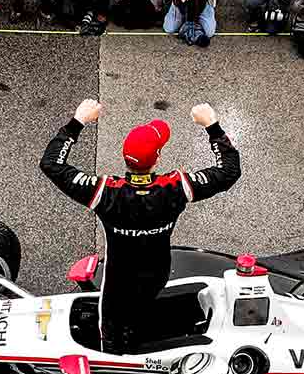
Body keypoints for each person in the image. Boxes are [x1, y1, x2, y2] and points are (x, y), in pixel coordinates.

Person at [40, 99, 239, 353]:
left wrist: (77, 121)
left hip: (117, 282)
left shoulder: (105, 192)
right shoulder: (175, 188)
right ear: (157, 159)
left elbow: (51, 164)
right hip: (157, 273)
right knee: (145, 306)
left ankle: (115, 363)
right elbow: (230, 170)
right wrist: (213, 126)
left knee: (110, 334)